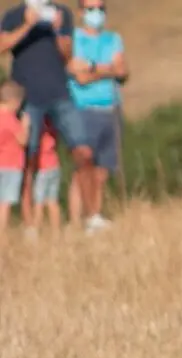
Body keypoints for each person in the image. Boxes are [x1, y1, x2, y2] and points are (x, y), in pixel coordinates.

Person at [0, 2, 108, 235]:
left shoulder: (62, 13)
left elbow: (67, 54)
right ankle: (30, 226)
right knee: (28, 159)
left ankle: (92, 216)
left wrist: (58, 31)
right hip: (28, 95)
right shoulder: (13, 15)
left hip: (60, 93)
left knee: (83, 151)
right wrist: (27, 24)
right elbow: (2, 45)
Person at [65, 0, 127, 231]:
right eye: (91, 9)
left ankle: (95, 217)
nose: (97, 13)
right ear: (81, 12)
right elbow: (78, 77)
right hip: (83, 108)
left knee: (102, 171)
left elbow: (122, 70)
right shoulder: (74, 39)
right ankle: (75, 219)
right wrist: (106, 68)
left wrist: (91, 67)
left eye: (101, 8)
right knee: (83, 165)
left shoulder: (113, 39)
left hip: (111, 108)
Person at [0, 80, 29, 239]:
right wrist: (25, 125)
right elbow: (22, 140)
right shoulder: (11, 120)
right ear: (15, 102)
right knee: (5, 203)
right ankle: (2, 233)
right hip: (11, 166)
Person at [29, 120, 61, 236]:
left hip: (42, 168)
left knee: (39, 201)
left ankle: (35, 229)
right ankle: (56, 230)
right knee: (52, 200)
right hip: (54, 165)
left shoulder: (38, 133)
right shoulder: (52, 130)